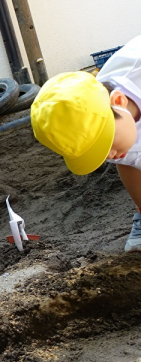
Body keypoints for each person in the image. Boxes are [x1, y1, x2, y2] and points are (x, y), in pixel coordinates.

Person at [31, 35, 141, 253]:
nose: (108, 155)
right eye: (95, 149)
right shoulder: (96, 110)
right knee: (127, 155)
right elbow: (127, 158)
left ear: (118, 101)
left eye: (105, 141)